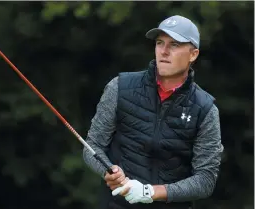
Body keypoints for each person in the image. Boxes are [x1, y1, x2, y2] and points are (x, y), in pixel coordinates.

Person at [83, 15, 224, 209]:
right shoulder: (119, 88)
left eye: (174, 45)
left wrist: (150, 193)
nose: (164, 51)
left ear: (193, 54)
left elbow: (205, 179)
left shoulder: (205, 109)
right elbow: (93, 147)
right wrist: (108, 171)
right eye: (160, 43)